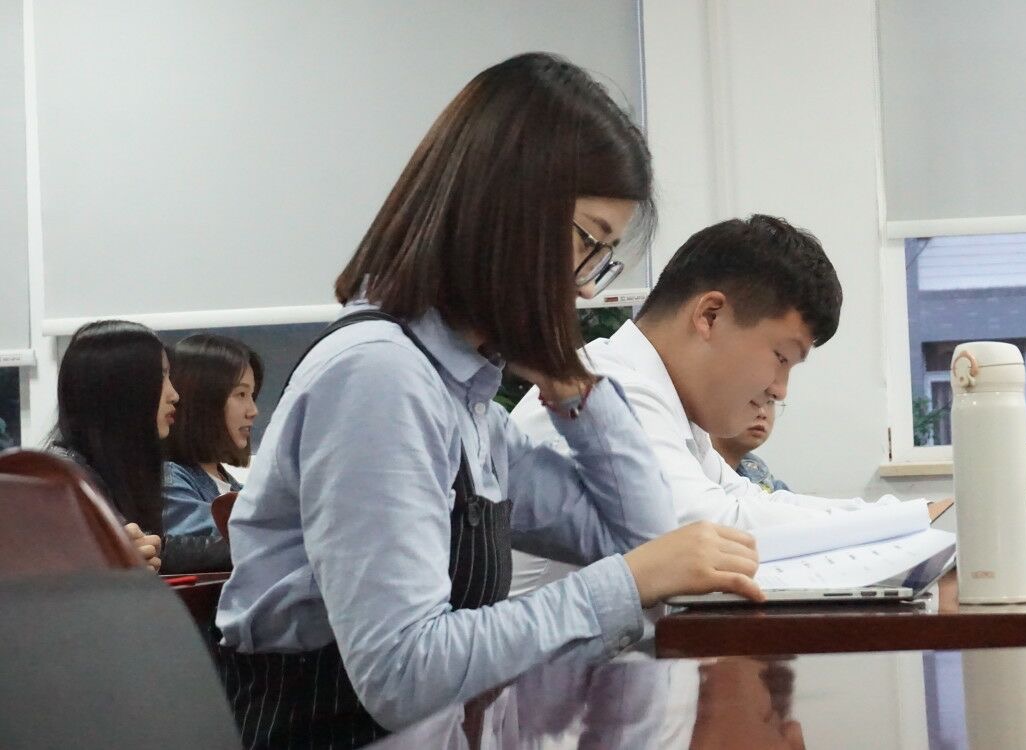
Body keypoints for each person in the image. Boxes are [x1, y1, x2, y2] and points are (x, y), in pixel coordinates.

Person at [214, 52, 762, 749]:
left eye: (601, 257)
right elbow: (402, 674)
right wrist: (624, 584)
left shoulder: (462, 399)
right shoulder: (379, 378)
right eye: (587, 240)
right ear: (506, 210)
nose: (584, 285)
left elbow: (649, 541)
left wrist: (573, 387)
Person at [510, 216, 901, 595]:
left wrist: (894, 519)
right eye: (781, 357)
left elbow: (748, 500)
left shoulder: (672, 402)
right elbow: (712, 531)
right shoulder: (611, 388)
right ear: (710, 316)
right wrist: (889, 527)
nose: (780, 390)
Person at [48, 319, 229, 573]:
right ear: (122, 389)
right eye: (161, 377)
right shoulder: (64, 482)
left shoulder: (108, 467)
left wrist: (251, 546)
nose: (174, 395)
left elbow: (158, 548)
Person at [163, 334, 263, 536]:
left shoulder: (233, 487)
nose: (253, 411)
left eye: (252, 395)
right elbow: (244, 536)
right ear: (202, 401)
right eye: (241, 394)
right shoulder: (169, 481)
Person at [711, 398, 790, 493]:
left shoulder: (760, 473)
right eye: (751, 399)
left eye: (770, 401)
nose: (762, 413)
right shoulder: (696, 471)